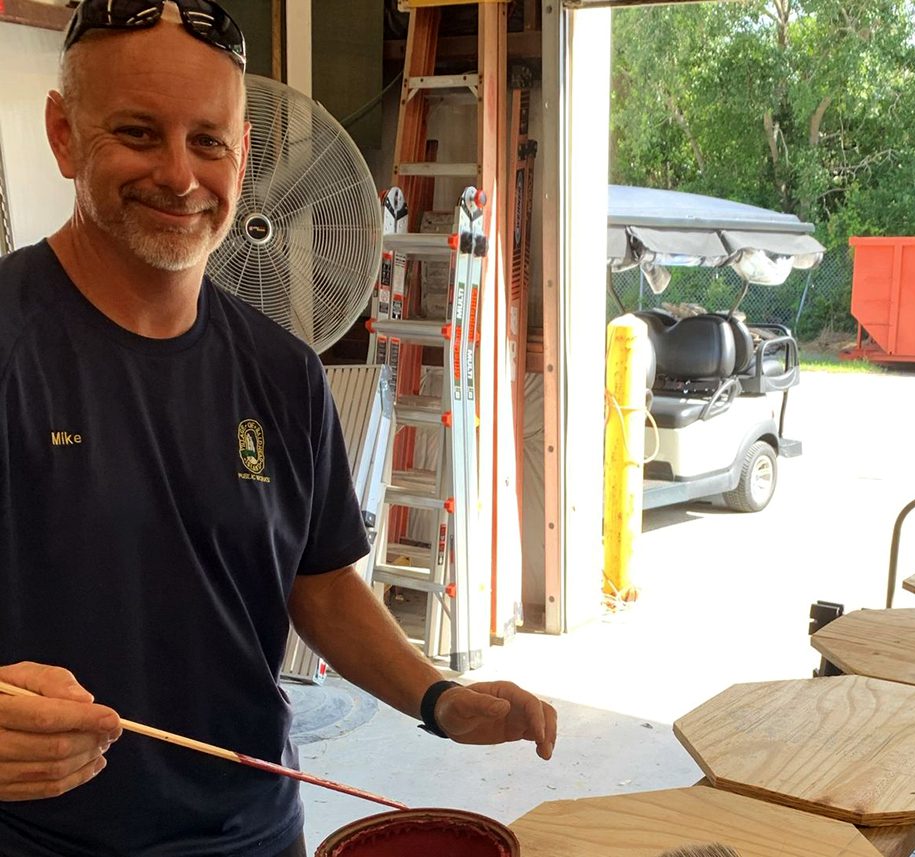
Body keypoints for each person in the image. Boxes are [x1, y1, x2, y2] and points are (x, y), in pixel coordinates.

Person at [0, 2, 556, 854]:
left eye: (209, 141)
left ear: (244, 155)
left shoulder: (283, 370)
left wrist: (438, 696)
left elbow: (320, 583)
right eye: (139, 134)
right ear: (64, 134)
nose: (181, 176)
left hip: (256, 833)